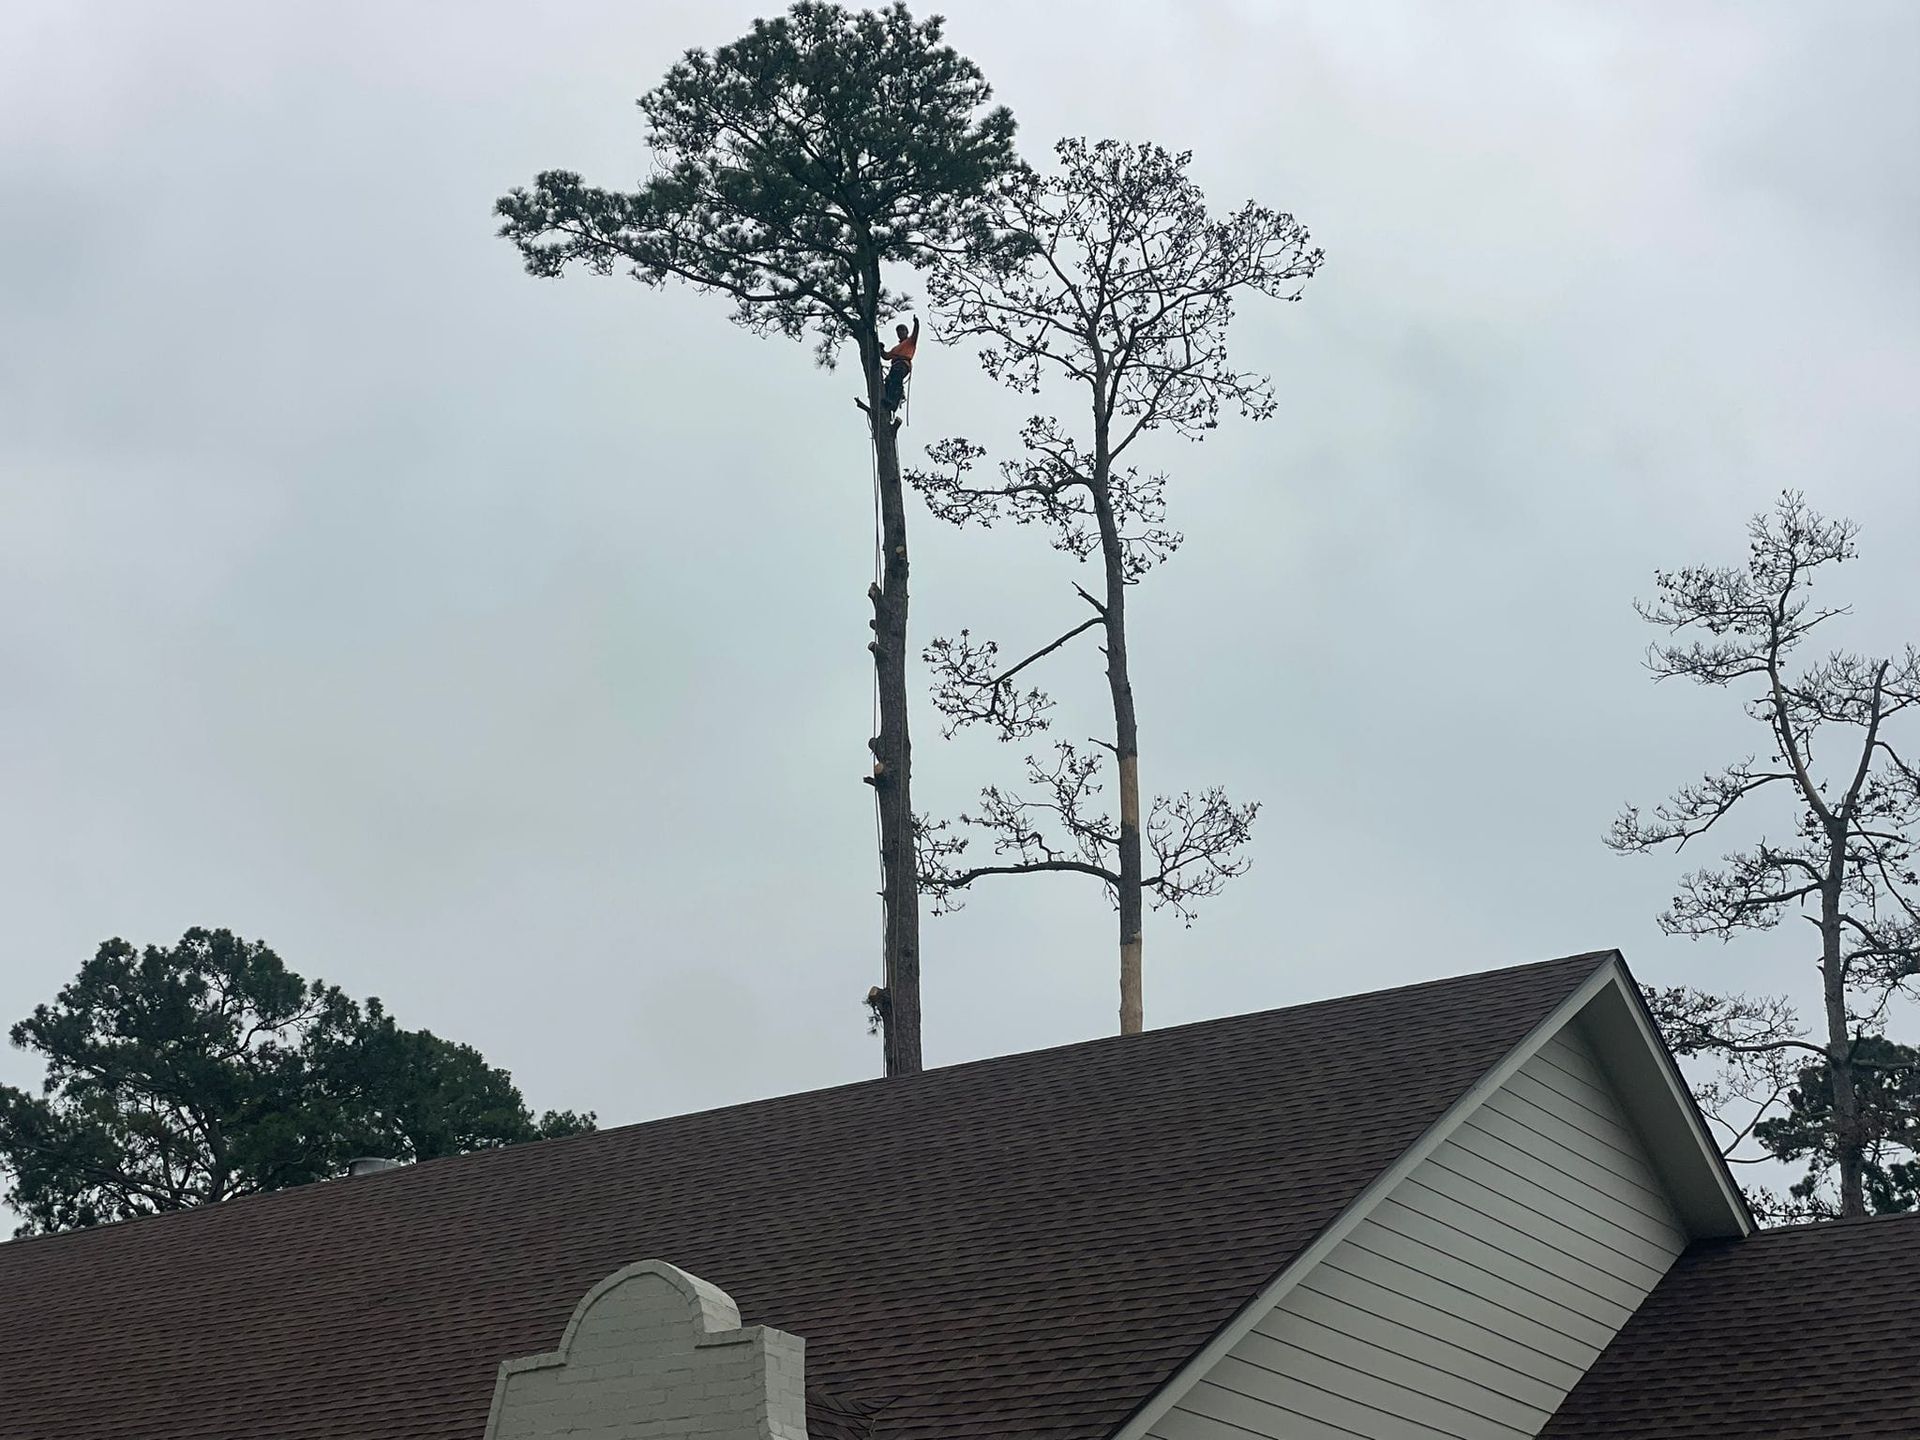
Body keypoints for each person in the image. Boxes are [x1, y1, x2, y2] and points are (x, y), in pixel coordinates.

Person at [880, 316, 918, 414]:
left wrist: (916, 323)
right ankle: (888, 400)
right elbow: (886, 356)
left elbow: (915, 333)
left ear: (906, 332)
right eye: (898, 331)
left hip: (903, 364)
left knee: (896, 380)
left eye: (902, 330)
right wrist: (880, 349)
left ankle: (894, 402)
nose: (900, 333)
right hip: (895, 365)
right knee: (889, 382)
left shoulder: (910, 341)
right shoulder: (895, 348)